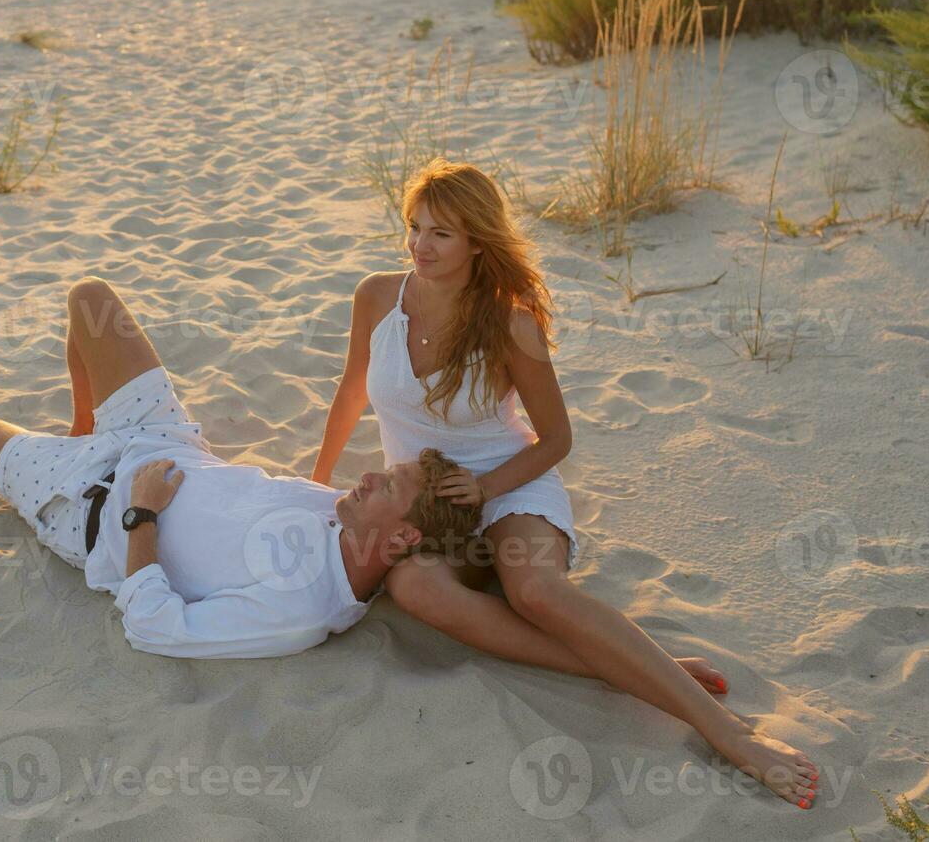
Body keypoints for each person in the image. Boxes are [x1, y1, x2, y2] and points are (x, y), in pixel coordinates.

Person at [310, 159, 820, 809]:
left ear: (476, 242)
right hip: (423, 502)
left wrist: (489, 486)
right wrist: (316, 481)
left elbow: (556, 439)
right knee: (413, 587)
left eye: (440, 233)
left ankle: (726, 732)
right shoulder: (376, 297)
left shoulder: (510, 321)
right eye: (413, 227)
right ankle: (645, 670)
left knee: (535, 591)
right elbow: (352, 390)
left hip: (508, 484)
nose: (419, 245)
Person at [0, 274, 479, 660]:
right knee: (91, 301)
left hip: (95, 511)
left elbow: (157, 629)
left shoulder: (301, 610)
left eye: (387, 484)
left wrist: (141, 515)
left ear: (401, 536)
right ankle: (80, 431)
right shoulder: (344, 515)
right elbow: (449, 547)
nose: (368, 474)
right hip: (165, 439)